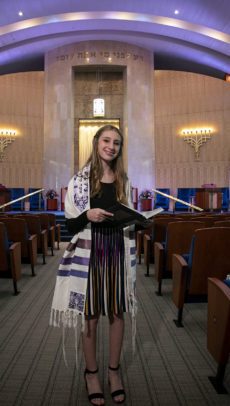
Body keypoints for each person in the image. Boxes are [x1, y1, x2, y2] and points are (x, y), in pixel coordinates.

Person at [50, 125, 139, 405]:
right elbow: (70, 224)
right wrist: (88, 214)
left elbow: (130, 218)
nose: (111, 146)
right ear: (96, 142)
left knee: (116, 312)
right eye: (107, 140)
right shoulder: (80, 181)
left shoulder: (124, 180)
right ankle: (91, 374)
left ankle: (114, 372)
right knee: (89, 315)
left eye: (117, 142)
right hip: (89, 253)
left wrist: (140, 221)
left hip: (116, 250)